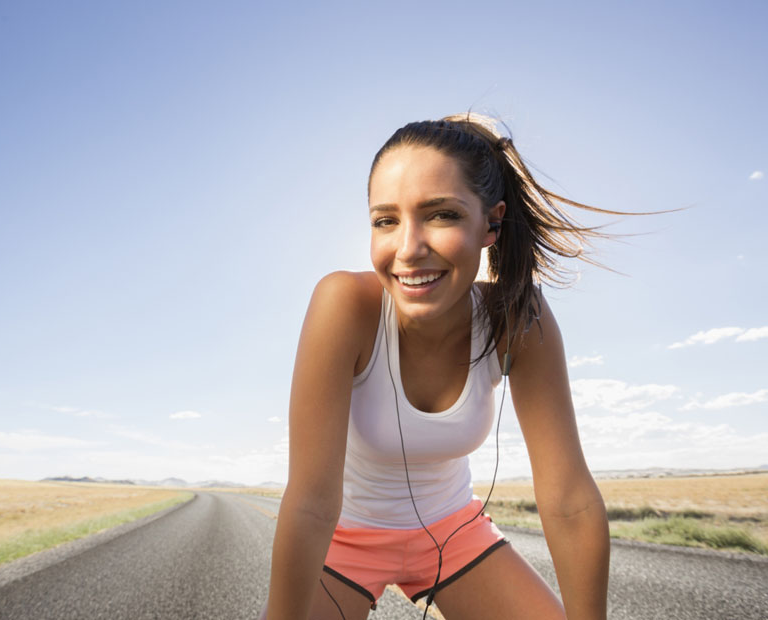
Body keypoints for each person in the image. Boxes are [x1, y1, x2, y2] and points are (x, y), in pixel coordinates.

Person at [260, 113, 614, 620]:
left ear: (491, 222)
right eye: (386, 220)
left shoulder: (519, 316)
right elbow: (312, 503)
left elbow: (570, 501)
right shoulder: (344, 304)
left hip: (455, 532)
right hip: (343, 539)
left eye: (441, 215)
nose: (408, 249)